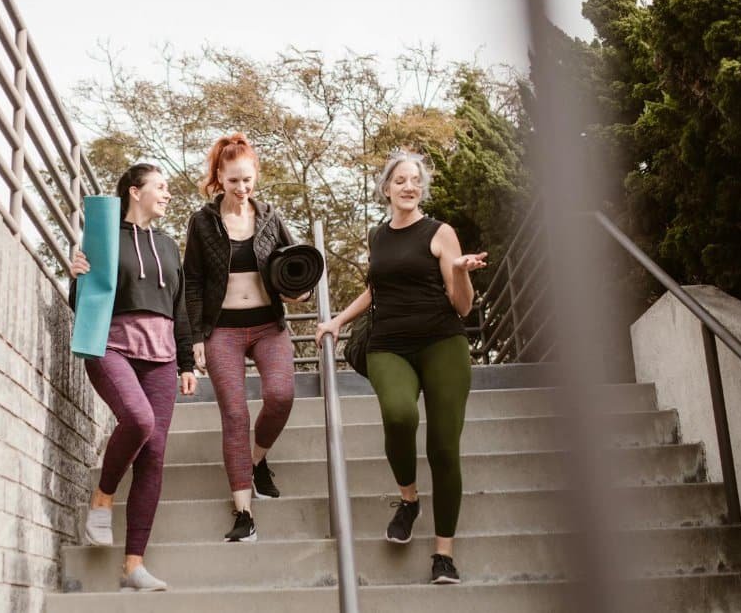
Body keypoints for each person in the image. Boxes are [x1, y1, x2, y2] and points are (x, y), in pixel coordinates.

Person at [316, 149, 487, 585]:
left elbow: (463, 307)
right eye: (400, 180)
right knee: (399, 414)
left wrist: (462, 271)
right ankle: (408, 500)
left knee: (444, 448)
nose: (409, 186)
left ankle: (443, 554)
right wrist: (337, 319)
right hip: (389, 343)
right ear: (387, 189)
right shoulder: (378, 236)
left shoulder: (440, 232)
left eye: (415, 180)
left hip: (442, 341)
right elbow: (376, 290)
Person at [69, 163, 198, 592]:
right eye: (160, 187)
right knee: (139, 421)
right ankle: (103, 497)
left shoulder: (169, 246)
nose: (166, 194)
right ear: (134, 191)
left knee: (154, 454)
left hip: (161, 355)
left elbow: (179, 309)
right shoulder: (104, 238)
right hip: (113, 346)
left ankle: (133, 566)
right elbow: (85, 299)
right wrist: (77, 274)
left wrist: (185, 362)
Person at [183, 132, 309, 543]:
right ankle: (243, 513)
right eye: (234, 180)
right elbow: (195, 282)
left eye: (248, 180)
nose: (242, 188)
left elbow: (297, 266)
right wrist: (198, 336)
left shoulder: (271, 216)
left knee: (280, 396)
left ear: (257, 176)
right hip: (223, 330)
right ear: (219, 176)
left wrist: (301, 290)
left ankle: (257, 459)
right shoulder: (202, 221)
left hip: (268, 326)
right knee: (235, 414)